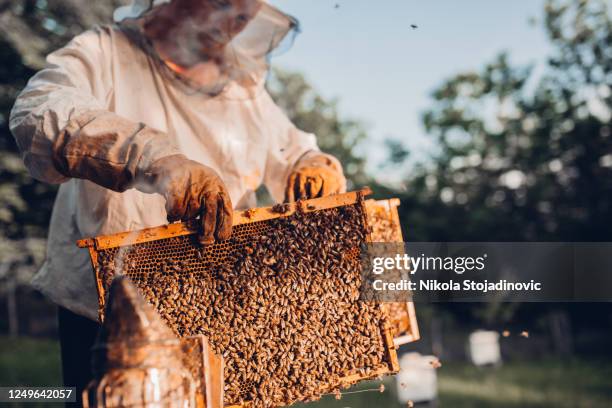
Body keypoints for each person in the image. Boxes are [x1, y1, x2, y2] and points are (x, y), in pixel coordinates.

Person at [9, 0, 346, 404]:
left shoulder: (243, 88)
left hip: (222, 306)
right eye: (224, 5)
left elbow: (290, 149)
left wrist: (312, 164)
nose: (233, 24)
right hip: (110, 312)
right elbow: (38, 114)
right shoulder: (106, 51)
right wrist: (152, 157)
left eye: (245, 15)